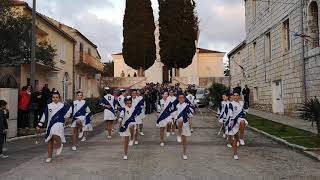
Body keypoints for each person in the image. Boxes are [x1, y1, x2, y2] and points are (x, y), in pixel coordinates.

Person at [37, 91, 69, 163]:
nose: (55, 99)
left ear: (59, 98)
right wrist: (40, 124)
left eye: (56, 97)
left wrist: (65, 120)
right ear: (52, 98)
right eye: (53, 97)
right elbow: (44, 115)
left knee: (54, 133)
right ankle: (49, 157)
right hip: (50, 124)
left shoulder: (62, 105)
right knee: (50, 140)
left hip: (59, 123)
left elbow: (68, 113)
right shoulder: (48, 106)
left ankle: (60, 144)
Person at [225, 92, 249, 160]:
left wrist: (244, 112)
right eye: (234, 95)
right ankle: (235, 154)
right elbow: (230, 111)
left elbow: (246, 109)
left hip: (240, 119)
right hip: (233, 122)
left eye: (236, 95)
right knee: (235, 138)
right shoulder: (231, 104)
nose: (235, 97)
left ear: (239, 96)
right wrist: (231, 118)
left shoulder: (242, 103)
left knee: (242, 121)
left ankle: (241, 138)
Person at [173, 93, 193, 160]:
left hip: (185, 124)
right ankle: (179, 134)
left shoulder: (187, 106)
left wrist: (190, 124)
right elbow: (174, 115)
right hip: (178, 123)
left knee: (184, 140)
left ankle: (184, 154)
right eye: (179, 97)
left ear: (184, 99)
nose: (181, 99)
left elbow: (190, 116)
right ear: (178, 99)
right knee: (180, 119)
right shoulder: (176, 106)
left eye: (182, 97)